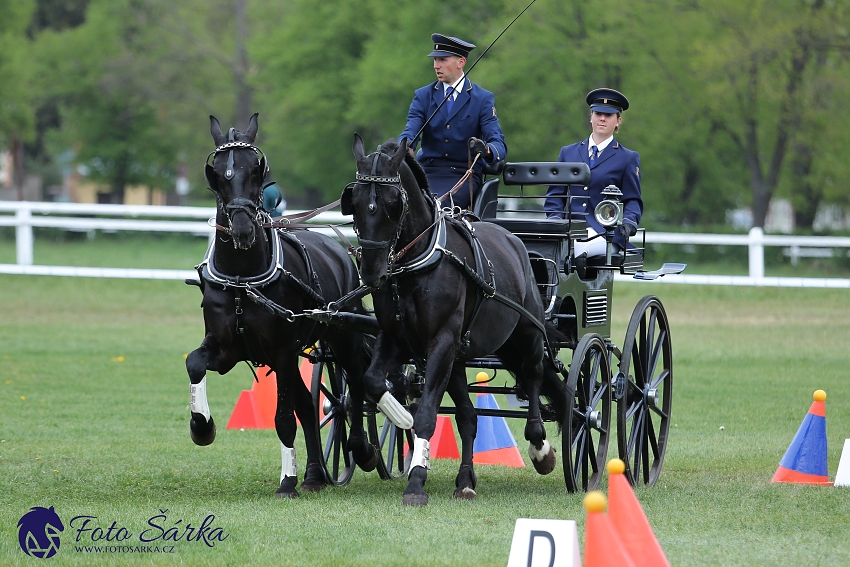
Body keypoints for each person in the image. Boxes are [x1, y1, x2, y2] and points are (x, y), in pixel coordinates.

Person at [398, 33, 507, 210]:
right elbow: (411, 131)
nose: (436, 66)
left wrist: (486, 149)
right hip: (427, 173)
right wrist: (403, 148)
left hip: (464, 175)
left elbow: (499, 144)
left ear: (461, 62)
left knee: (435, 207)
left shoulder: (482, 99)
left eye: (442, 60)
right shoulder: (423, 96)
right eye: (434, 60)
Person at [544, 88, 642, 257]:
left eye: (609, 115)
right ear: (591, 117)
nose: (602, 118)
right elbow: (555, 195)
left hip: (605, 233)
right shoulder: (568, 152)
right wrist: (556, 221)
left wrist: (629, 221)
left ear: (618, 120)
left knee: (581, 251)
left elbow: (632, 199)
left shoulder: (628, 158)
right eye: (598, 113)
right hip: (569, 231)